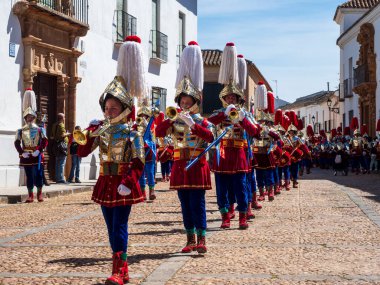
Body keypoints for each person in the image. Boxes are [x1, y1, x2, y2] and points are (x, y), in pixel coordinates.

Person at [78, 35, 146, 285]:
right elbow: (82, 153)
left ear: (124, 109)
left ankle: (120, 270)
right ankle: (121, 267)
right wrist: (86, 135)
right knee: (110, 226)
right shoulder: (101, 129)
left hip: (123, 182)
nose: (108, 112)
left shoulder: (132, 131)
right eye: (106, 108)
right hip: (106, 180)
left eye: (113, 108)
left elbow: (140, 161)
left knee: (119, 225)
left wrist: (129, 181)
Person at [156, 41, 214, 254]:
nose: (185, 104)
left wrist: (193, 125)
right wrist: (170, 120)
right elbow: (159, 133)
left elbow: (210, 137)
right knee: (185, 204)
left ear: (195, 102)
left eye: (188, 101)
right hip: (180, 164)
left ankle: (202, 239)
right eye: (183, 100)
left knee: (198, 203)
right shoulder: (174, 118)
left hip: (197, 164)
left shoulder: (202, 120)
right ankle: (190, 239)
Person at [208, 42, 260, 230]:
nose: (231, 100)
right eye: (228, 98)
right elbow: (209, 123)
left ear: (238, 99)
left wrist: (241, 120)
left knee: (241, 188)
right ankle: (225, 217)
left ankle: (243, 218)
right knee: (222, 190)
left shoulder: (245, 114)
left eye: (233, 98)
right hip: (222, 156)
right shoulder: (218, 112)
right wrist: (224, 113)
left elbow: (255, 132)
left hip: (239, 156)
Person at [14, 88, 48, 202]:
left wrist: (39, 150)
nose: (29, 118)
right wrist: (21, 152)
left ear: (34, 117)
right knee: (29, 176)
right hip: (27, 156)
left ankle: (39, 194)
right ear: (25, 118)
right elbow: (17, 142)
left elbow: (45, 141)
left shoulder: (39, 129)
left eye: (31, 117)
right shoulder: (20, 130)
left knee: (39, 175)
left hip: (37, 155)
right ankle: (30, 195)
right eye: (27, 117)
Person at [51, 113, 70, 183]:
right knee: (62, 162)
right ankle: (61, 178)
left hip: (56, 145)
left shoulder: (54, 125)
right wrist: (67, 133)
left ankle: (57, 178)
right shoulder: (61, 125)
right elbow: (62, 135)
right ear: (62, 118)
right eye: (64, 117)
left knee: (57, 162)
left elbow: (52, 136)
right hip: (62, 145)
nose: (64, 119)